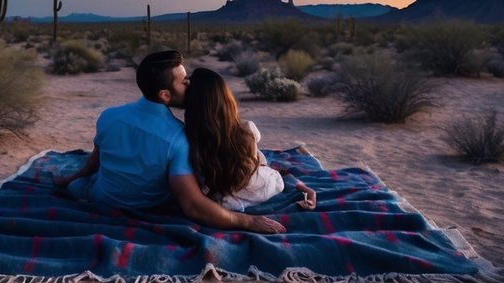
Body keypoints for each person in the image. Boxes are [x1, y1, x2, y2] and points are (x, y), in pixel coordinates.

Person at [53, 50, 286, 233]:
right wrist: (245, 221)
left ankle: (73, 186)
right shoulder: (179, 139)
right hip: (145, 207)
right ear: (165, 95)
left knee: (80, 186)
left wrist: (71, 179)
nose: (189, 84)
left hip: (102, 196)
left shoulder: (108, 116)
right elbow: (194, 206)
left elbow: (95, 160)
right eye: (184, 81)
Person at [183, 67, 316, 211]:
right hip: (254, 187)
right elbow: (251, 164)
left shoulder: (189, 134)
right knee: (270, 172)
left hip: (222, 196)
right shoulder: (246, 129)